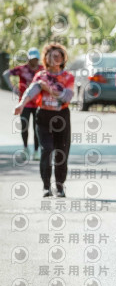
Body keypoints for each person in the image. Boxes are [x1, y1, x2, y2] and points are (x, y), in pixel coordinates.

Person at [14, 43, 74, 197]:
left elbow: (66, 97)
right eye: (51, 56)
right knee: (46, 150)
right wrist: (22, 104)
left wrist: (48, 89)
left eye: (58, 56)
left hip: (61, 116)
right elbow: (32, 90)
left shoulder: (68, 77)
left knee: (61, 152)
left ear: (63, 58)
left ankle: (59, 187)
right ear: (45, 58)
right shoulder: (41, 76)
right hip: (44, 116)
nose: (54, 59)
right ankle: (46, 187)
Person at [4, 47, 45, 160]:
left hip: (38, 103)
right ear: (28, 59)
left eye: (36, 59)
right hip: (24, 104)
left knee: (37, 128)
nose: (34, 61)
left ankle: (36, 151)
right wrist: (13, 88)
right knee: (24, 127)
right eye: (32, 59)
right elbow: (6, 74)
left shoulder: (42, 69)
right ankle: (25, 148)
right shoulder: (22, 69)